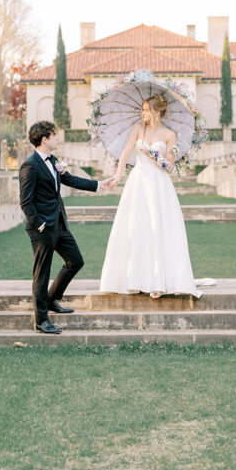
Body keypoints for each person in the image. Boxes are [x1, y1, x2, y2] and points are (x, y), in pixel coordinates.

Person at [19, 120, 116, 334]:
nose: (57, 138)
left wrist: (100, 185)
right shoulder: (30, 166)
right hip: (42, 229)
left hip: (60, 225)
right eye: (54, 135)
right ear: (45, 139)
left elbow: (70, 179)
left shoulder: (53, 160)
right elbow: (25, 201)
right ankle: (41, 321)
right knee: (41, 274)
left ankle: (51, 298)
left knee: (76, 261)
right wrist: (40, 224)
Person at [99, 94, 200, 298]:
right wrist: (118, 174)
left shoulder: (170, 134)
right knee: (136, 228)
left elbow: (169, 166)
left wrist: (151, 154)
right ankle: (134, 279)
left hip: (158, 184)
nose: (143, 113)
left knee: (157, 228)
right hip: (138, 183)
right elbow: (126, 153)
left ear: (156, 111)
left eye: (146, 109)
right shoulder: (138, 129)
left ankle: (158, 282)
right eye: (143, 109)